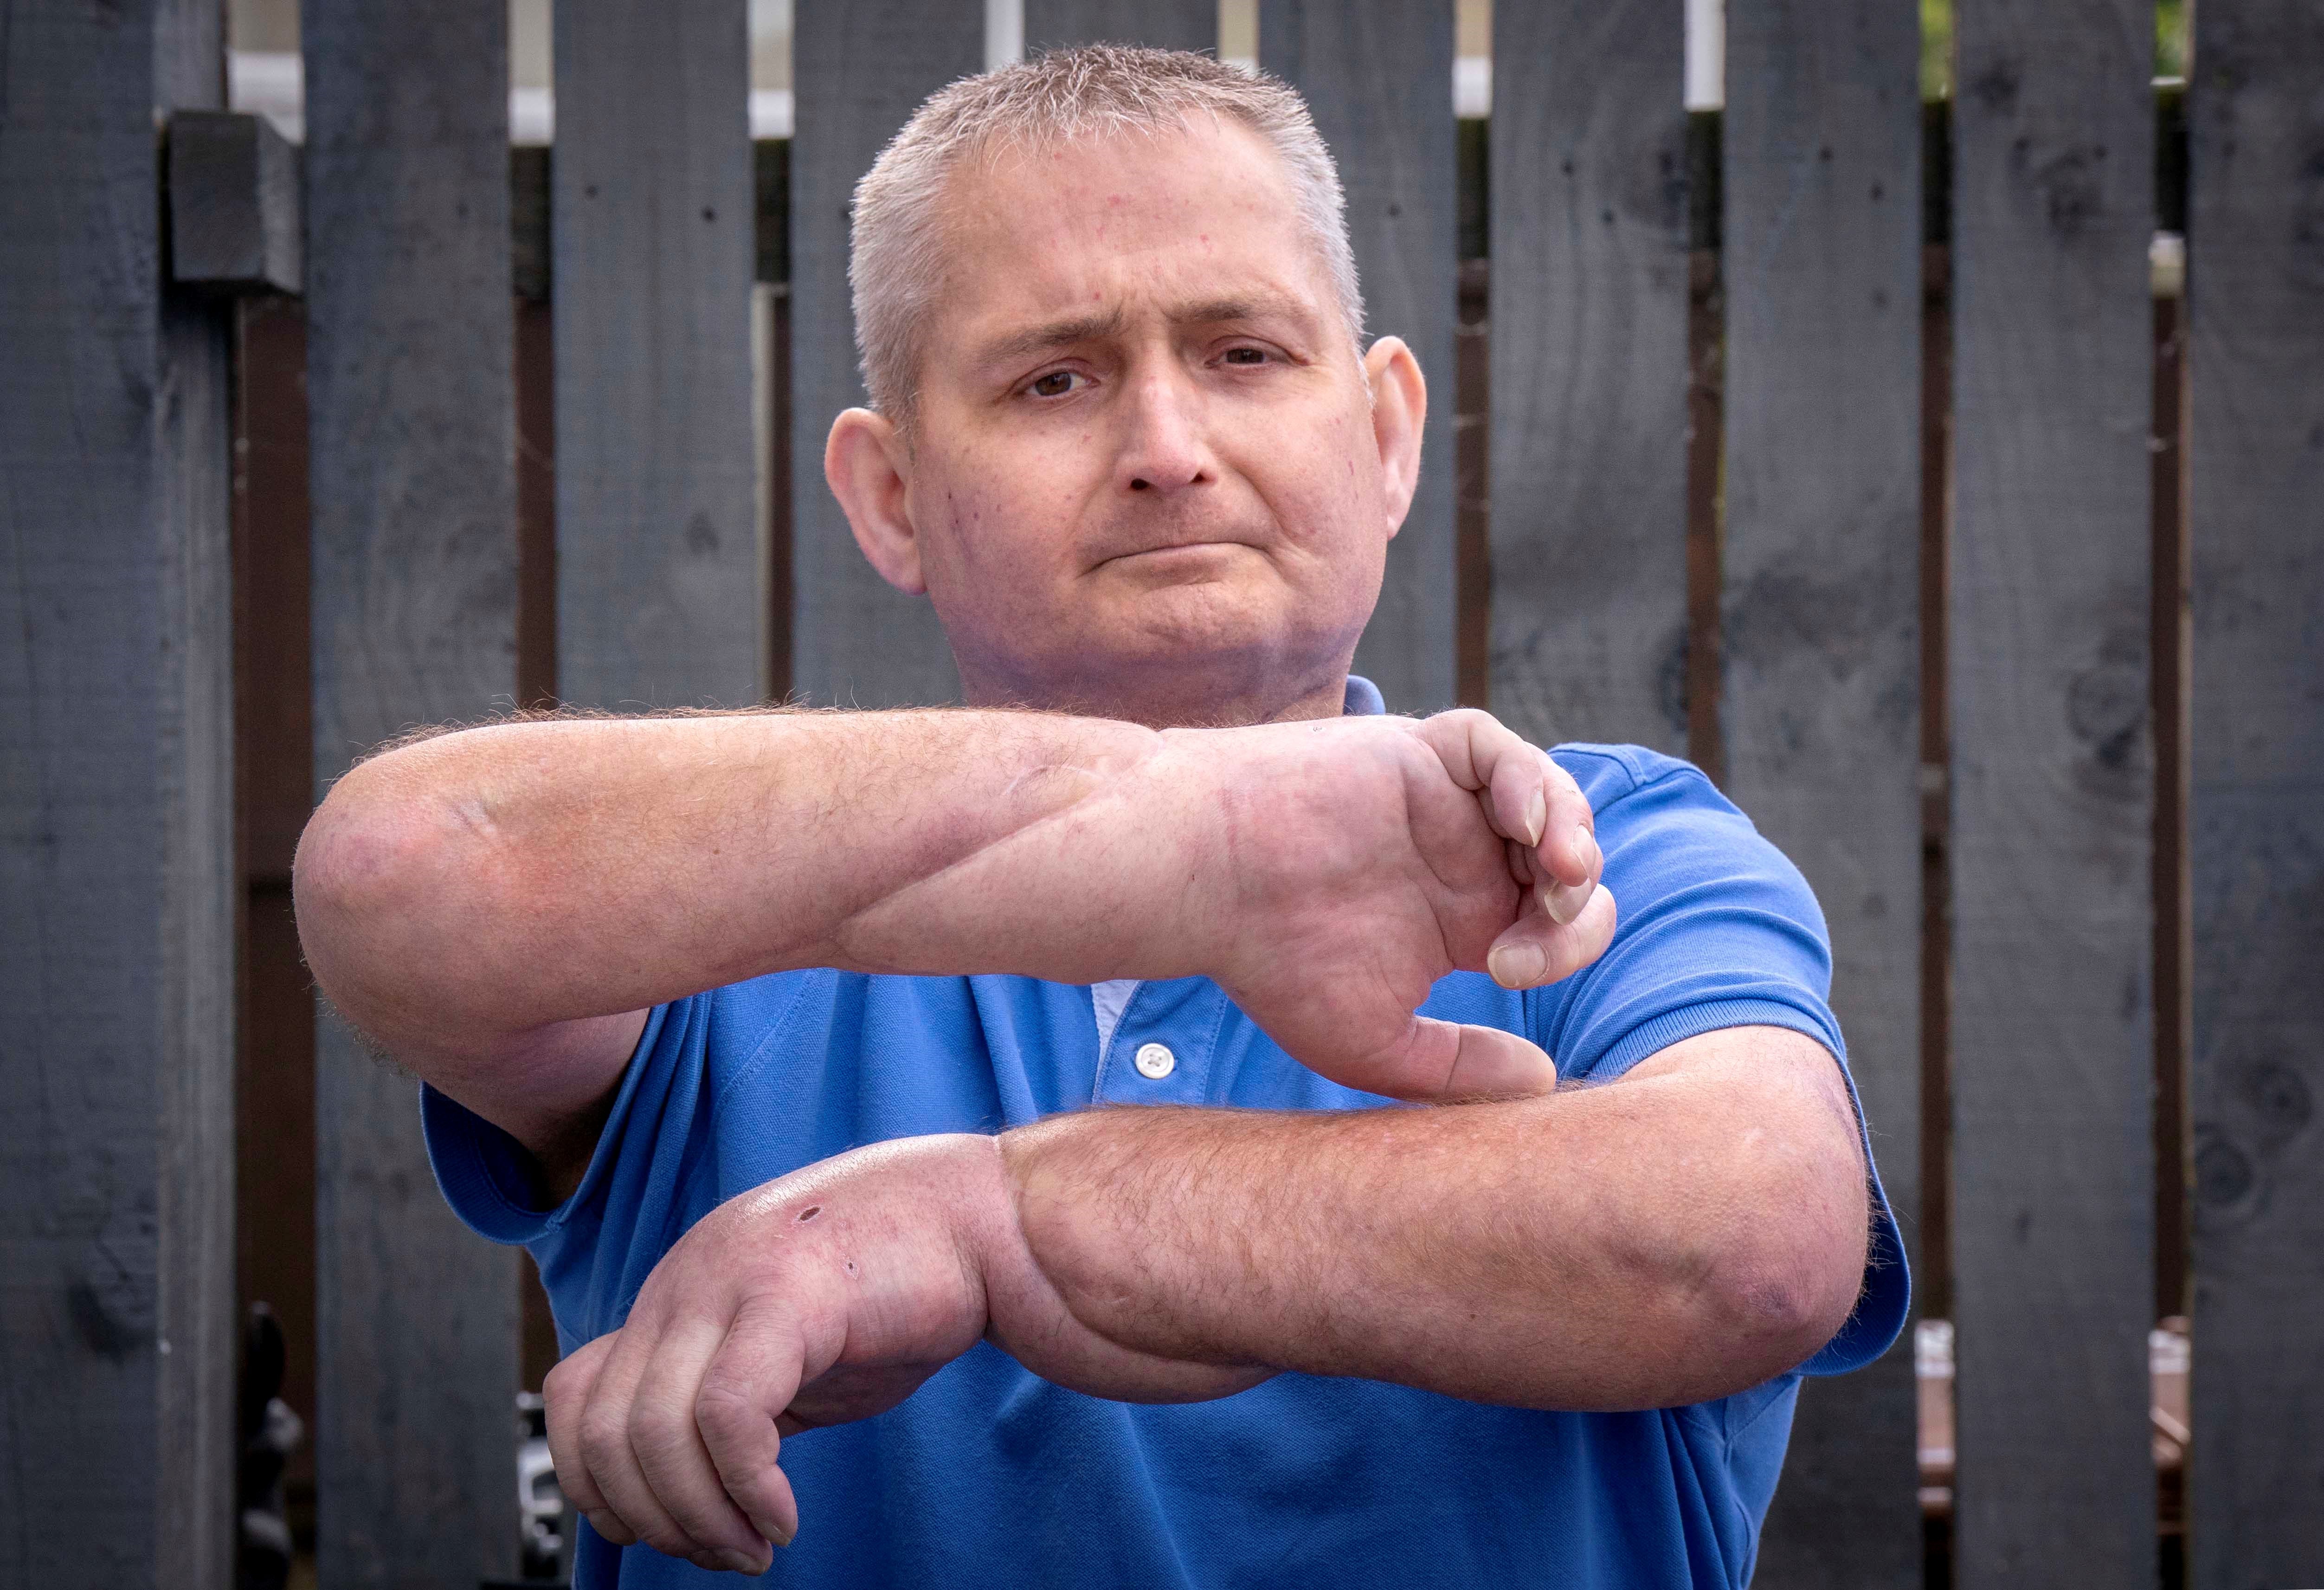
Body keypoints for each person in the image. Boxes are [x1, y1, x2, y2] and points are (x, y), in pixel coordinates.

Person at [294, 45, 1906, 1590]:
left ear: (1388, 430)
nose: (1165, 449)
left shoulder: (1601, 849)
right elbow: (401, 869)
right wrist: (1186, 834)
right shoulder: (720, 910)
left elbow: (1750, 1240)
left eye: (1244, 354)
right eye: (1054, 377)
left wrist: (1006, 1223)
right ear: (892, 497)